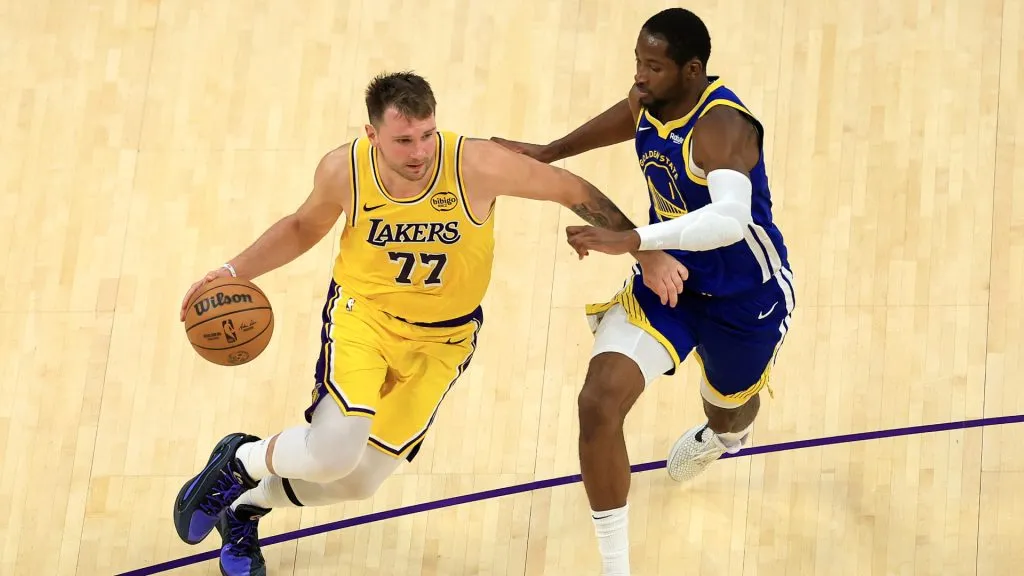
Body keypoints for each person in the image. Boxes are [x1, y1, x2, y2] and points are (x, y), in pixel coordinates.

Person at [171, 71, 680, 576]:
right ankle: (239, 460)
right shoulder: (344, 171)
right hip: (365, 319)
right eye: (403, 140)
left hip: (445, 340)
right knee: (331, 452)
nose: (419, 152)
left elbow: (571, 189)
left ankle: (243, 508)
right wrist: (232, 271)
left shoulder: (475, 165)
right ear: (372, 136)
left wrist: (646, 249)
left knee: (359, 481)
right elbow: (303, 226)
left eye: (427, 135)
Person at [491, 8, 796, 575]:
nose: (639, 75)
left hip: (743, 296)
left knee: (729, 413)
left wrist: (633, 236)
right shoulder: (651, 99)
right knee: (597, 403)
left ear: (692, 70)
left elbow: (729, 220)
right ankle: (616, 568)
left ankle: (724, 436)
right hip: (667, 283)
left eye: (653, 66)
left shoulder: (722, 128)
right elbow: (626, 117)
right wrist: (547, 151)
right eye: (637, 61)